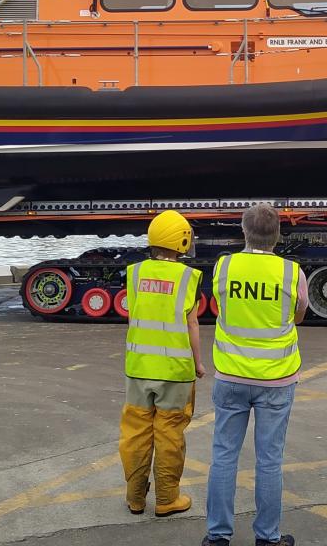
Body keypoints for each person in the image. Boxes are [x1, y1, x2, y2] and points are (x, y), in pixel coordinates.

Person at [204, 202, 308, 546]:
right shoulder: (292, 273)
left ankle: (218, 536)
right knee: (269, 461)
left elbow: (219, 307)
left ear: (243, 232)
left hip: (231, 376)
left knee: (223, 456)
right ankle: (267, 537)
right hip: (276, 380)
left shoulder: (224, 266)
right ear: (277, 235)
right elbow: (299, 316)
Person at [120, 210, 205, 518]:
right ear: (182, 241)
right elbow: (192, 325)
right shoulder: (188, 278)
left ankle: (135, 498)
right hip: (175, 372)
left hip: (139, 368)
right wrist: (198, 364)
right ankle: (167, 499)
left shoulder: (134, 273)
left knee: (136, 432)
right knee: (169, 434)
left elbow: (134, 314)